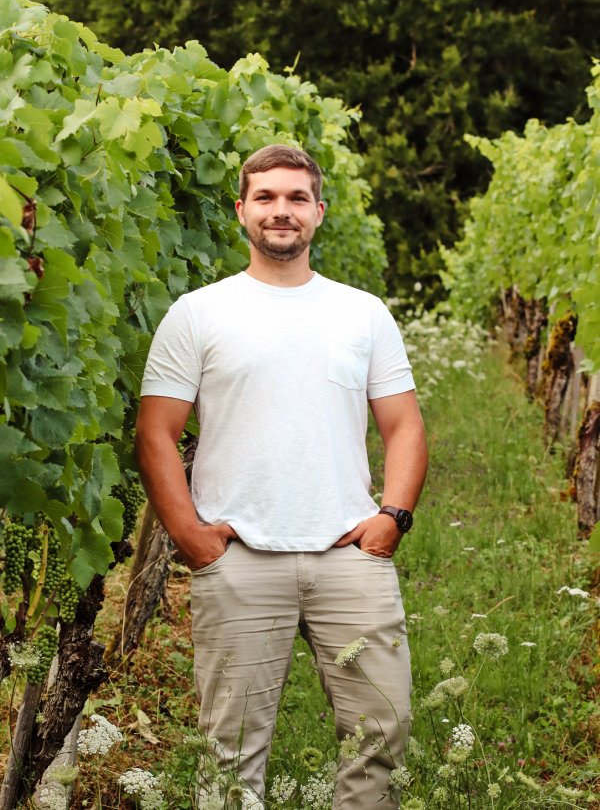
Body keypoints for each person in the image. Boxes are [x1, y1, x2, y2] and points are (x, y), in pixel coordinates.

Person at [135, 144, 428, 809]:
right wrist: (191, 538)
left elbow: (405, 426)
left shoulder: (362, 313)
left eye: (297, 198)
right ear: (241, 210)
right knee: (231, 750)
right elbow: (155, 432)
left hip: (350, 555)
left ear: (319, 212)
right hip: (238, 558)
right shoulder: (198, 313)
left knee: (381, 733)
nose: (281, 211)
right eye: (265, 197)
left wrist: (392, 518)